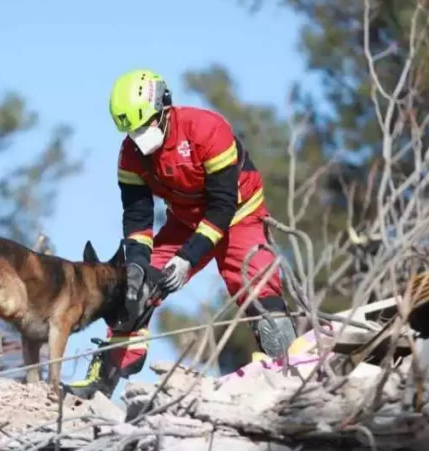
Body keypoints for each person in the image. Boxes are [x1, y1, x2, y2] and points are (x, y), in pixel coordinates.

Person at [66, 69, 299, 398]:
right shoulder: (130, 155)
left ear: (164, 108)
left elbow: (222, 204)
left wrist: (187, 259)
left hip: (239, 214)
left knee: (257, 283)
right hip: (185, 222)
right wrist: (136, 267)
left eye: (144, 124)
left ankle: (289, 370)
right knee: (132, 289)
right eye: (132, 130)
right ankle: (104, 376)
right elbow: (137, 216)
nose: (139, 136)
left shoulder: (207, 129)